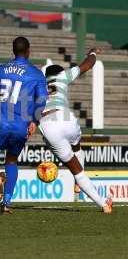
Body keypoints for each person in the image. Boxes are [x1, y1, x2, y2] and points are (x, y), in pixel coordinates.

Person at [0, 36, 48, 213]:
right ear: (28, 51)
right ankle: (6, 202)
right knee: (11, 160)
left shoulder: (0, 70)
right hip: (21, 126)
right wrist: (35, 122)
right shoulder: (37, 74)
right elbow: (42, 100)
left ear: (13, 51)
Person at [38, 48, 113, 214]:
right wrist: (92, 54)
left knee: (75, 169)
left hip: (47, 125)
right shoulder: (63, 76)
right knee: (77, 146)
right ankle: (78, 183)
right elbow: (87, 65)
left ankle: (103, 205)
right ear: (60, 73)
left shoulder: (39, 84)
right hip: (65, 118)